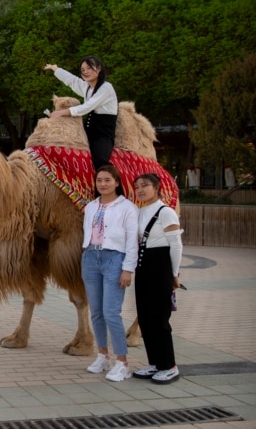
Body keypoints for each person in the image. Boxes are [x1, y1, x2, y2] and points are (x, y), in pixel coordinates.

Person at [81, 165, 138, 382]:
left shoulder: (127, 208)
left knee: (111, 312)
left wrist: (127, 269)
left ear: (116, 182)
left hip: (114, 259)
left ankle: (122, 362)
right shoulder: (91, 207)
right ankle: (103, 356)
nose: (103, 184)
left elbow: (132, 241)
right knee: (95, 312)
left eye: (107, 180)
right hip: (90, 258)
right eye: (99, 180)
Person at [132, 173, 183, 384]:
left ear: (156, 187)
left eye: (145, 185)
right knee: (145, 317)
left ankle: (169, 366)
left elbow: (176, 245)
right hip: (143, 267)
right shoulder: (140, 211)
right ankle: (155, 362)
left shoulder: (166, 212)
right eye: (137, 187)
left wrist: (174, 274)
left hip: (160, 266)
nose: (141, 190)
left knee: (160, 319)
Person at [44, 56, 118, 172]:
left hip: (102, 135)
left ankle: (115, 189)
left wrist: (61, 112)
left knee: (100, 161)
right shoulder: (87, 87)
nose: (85, 72)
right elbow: (72, 81)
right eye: (83, 70)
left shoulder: (106, 87)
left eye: (89, 68)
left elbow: (87, 107)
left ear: (99, 69)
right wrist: (56, 69)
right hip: (87, 131)